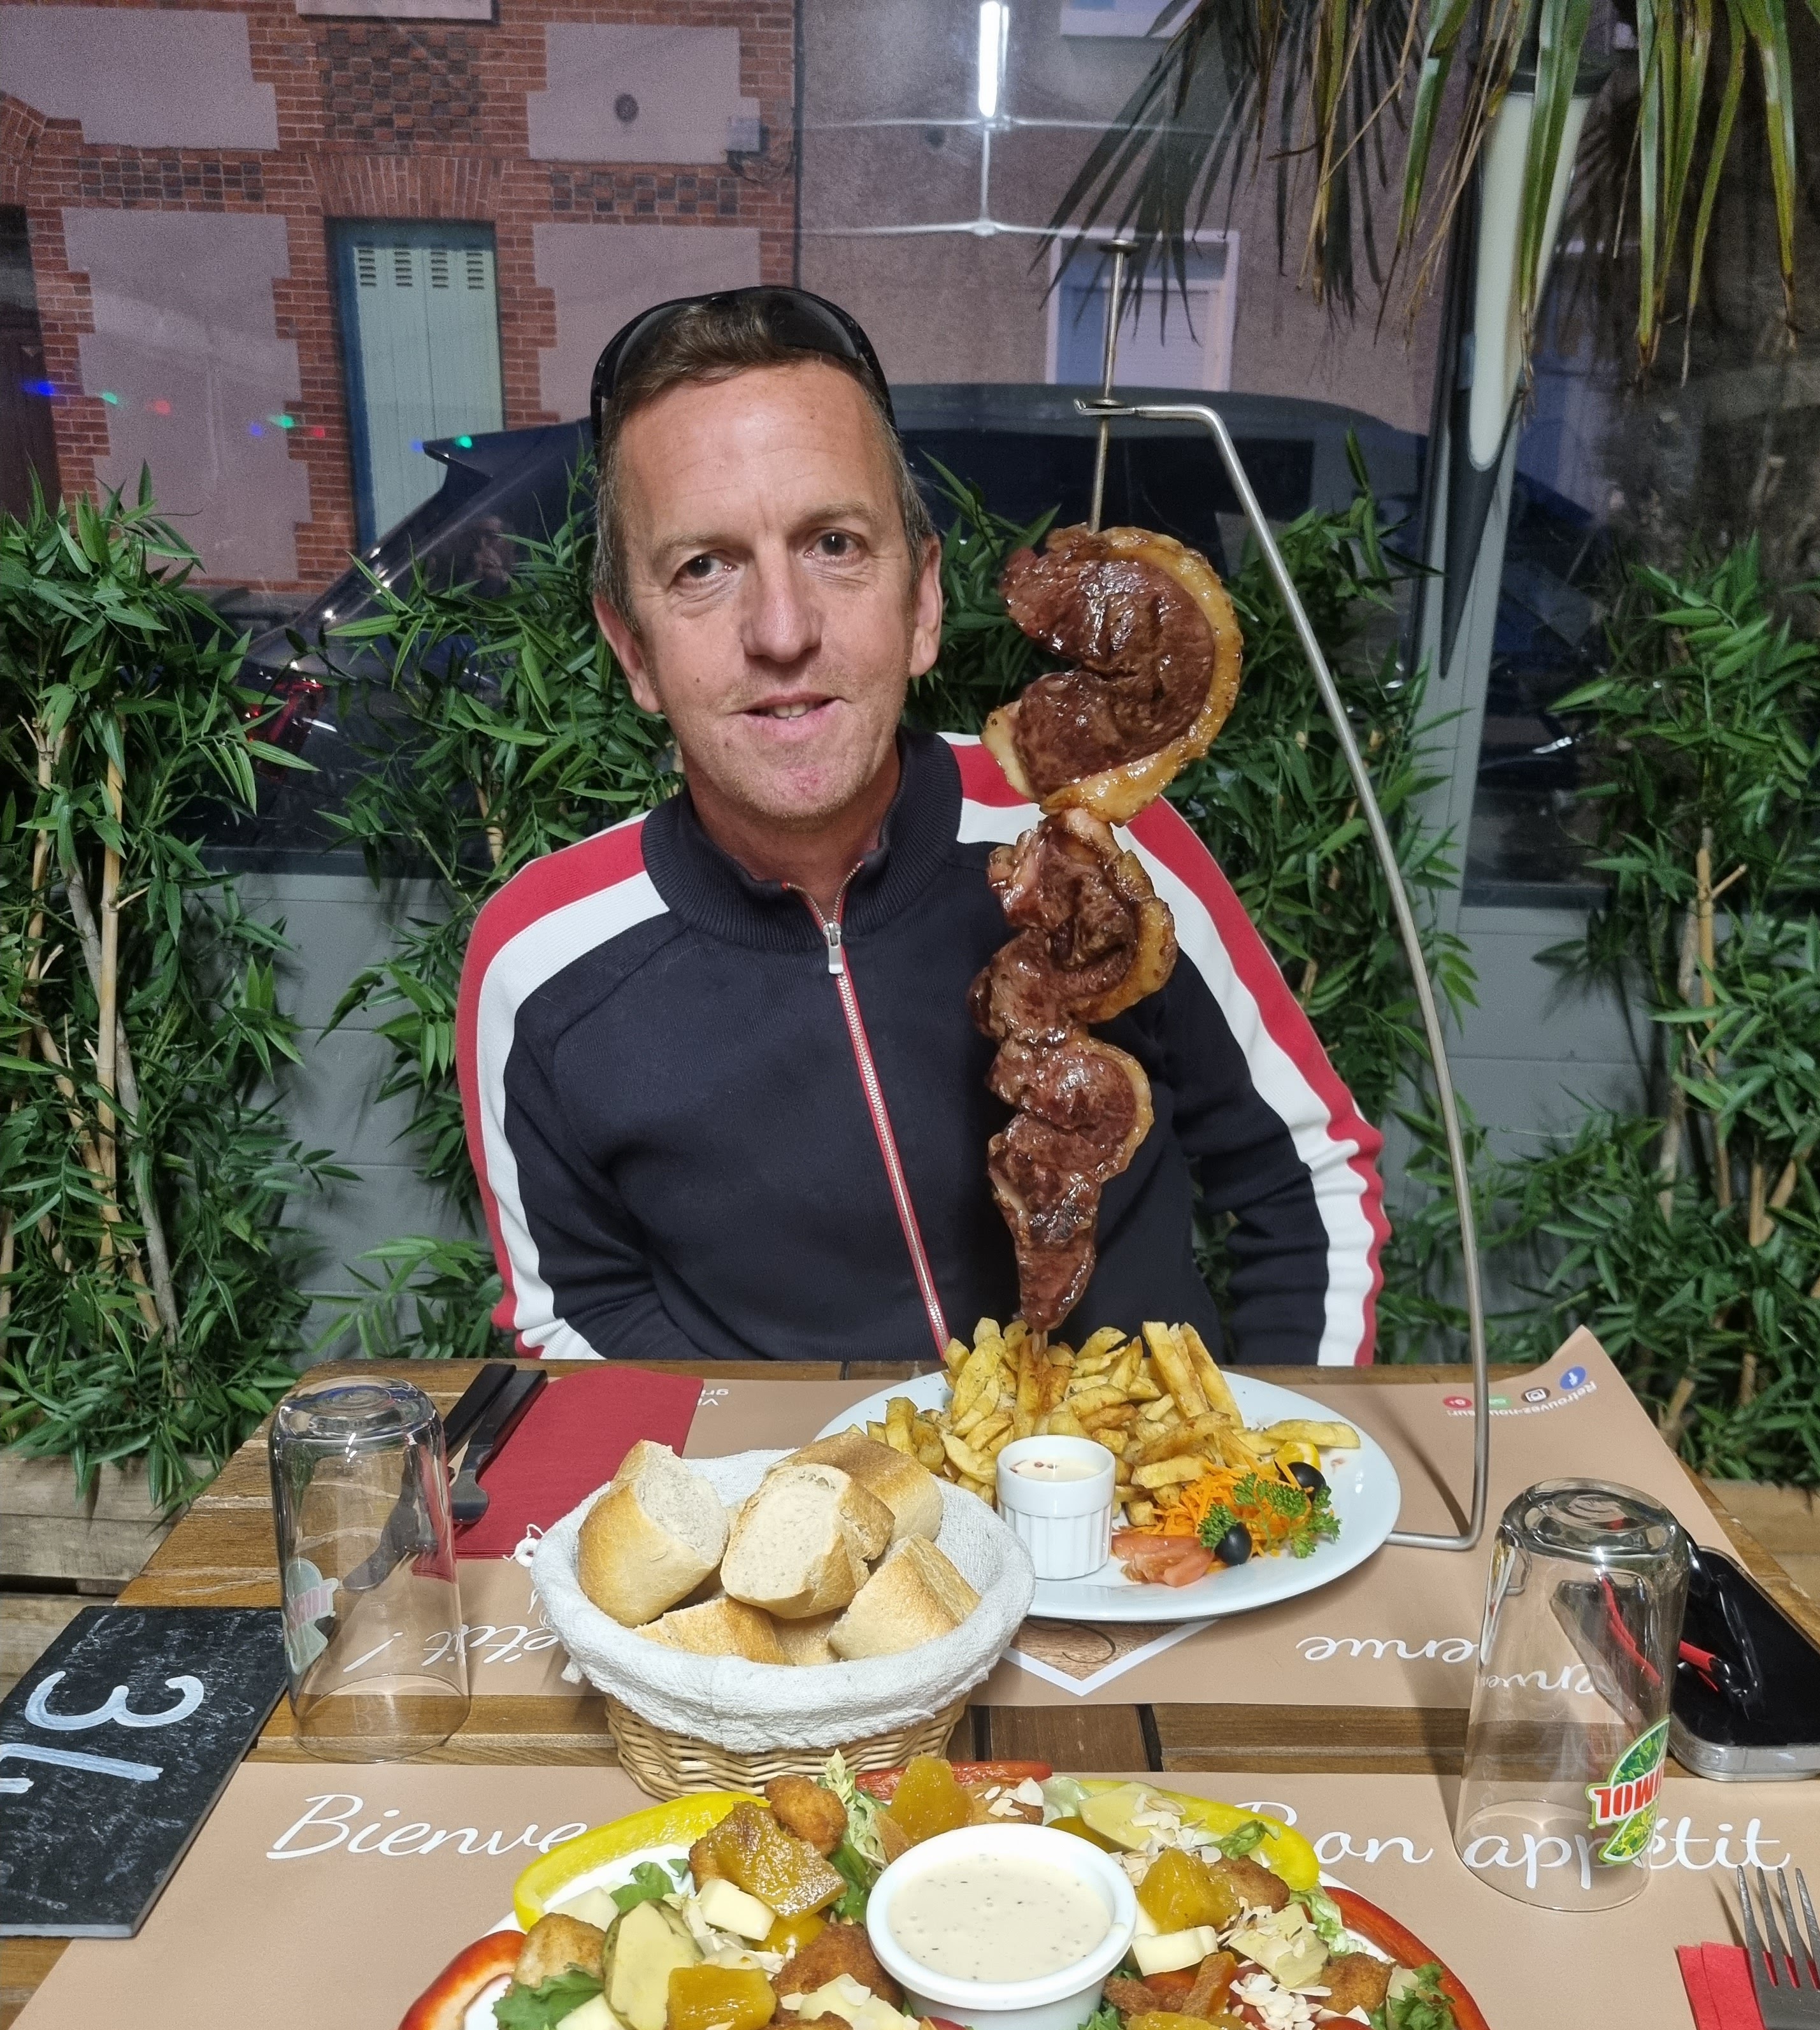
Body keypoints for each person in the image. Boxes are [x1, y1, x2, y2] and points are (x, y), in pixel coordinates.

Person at [457, 288, 1384, 1364]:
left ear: (925, 602)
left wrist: (1271, 1460)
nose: (782, 630)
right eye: (703, 567)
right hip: (800, 1478)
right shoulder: (539, 961)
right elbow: (578, 1317)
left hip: (1127, 1467)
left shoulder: (1096, 855)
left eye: (834, 543)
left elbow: (1306, 1178)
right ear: (633, 650)